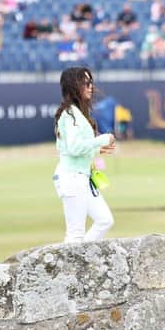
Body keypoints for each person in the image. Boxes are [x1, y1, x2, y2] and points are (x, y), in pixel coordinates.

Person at [53, 67, 116, 243]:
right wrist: (102, 140)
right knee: (75, 234)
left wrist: (96, 150)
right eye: (86, 83)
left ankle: (82, 260)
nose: (91, 87)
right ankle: (70, 268)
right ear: (74, 86)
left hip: (82, 177)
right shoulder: (69, 114)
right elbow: (73, 148)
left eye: (91, 82)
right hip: (72, 178)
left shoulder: (77, 113)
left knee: (104, 220)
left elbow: (69, 147)